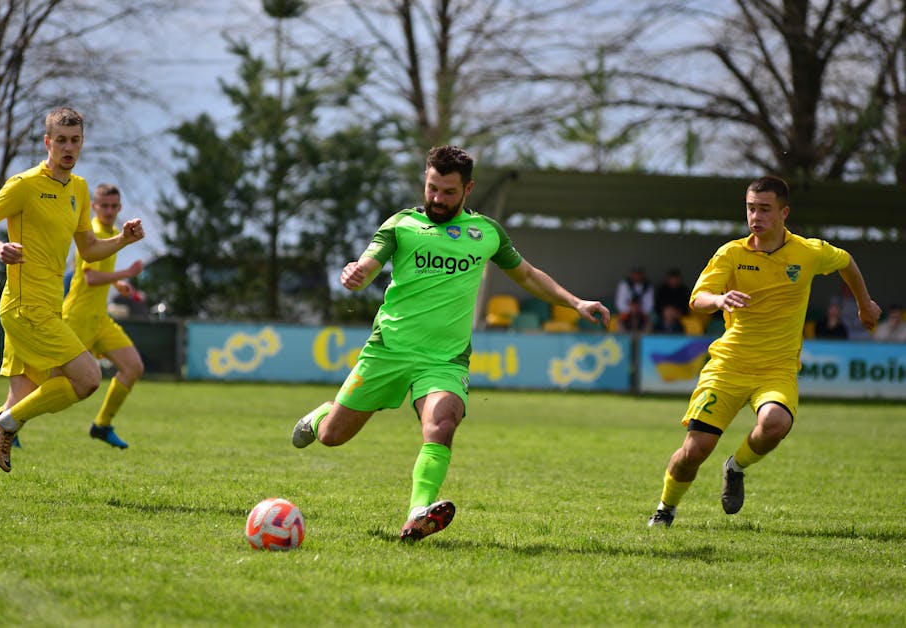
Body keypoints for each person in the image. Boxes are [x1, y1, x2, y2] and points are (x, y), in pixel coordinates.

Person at [290, 145, 611, 540]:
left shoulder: (486, 233)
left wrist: (575, 301)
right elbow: (370, 261)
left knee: (441, 425)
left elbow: (527, 275)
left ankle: (417, 512)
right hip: (388, 350)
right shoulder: (401, 225)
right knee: (332, 437)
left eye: (447, 192)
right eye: (432, 189)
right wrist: (358, 273)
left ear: (468, 189)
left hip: (444, 360)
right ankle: (323, 414)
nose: (437, 199)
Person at [647, 175, 880, 528]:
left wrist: (865, 305)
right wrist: (720, 298)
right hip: (728, 365)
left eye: (765, 210)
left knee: (775, 423)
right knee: (693, 452)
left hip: (776, 368)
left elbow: (846, 261)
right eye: (751, 209)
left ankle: (735, 467)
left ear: (784, 212)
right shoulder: (732, 253)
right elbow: (697, 298)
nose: (756, 217)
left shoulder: (809, 252)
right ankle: (666, 509)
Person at [0, 107, 145, 499]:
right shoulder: (24, 184)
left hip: (47, 307)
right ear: (47, 142)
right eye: (61, 140)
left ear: (82, 143)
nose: (68, 147)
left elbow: (90, 248)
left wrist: (123, 241)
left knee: (21, 401)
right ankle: (4, 423)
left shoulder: (79, 189)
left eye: (75, 140)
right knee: (88, 379)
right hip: (23, 306)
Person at [62, 183, 146, 449]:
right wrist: (125, 274)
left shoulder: (110, 233)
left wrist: (116, 285)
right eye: (104, 206)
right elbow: (89, 278)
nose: (109, 211)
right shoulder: (95, 232)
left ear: (119, 208)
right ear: (94, 207)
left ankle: (102, 425)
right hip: (76, 319)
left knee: (133, 367)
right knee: (50, 382)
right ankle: (9, 426)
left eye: (114, 206)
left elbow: (97, 275)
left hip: (99, 319)